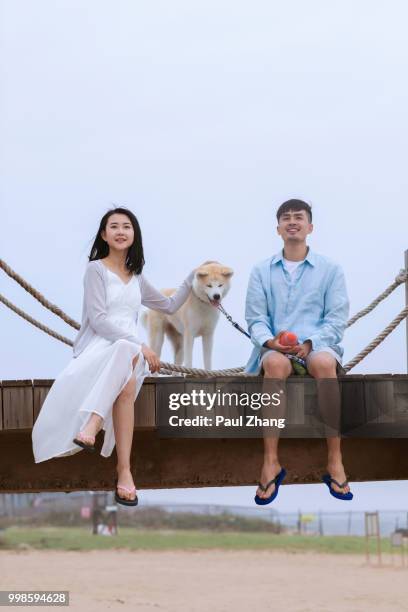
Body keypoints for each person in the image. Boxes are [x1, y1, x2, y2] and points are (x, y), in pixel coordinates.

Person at [32, 206, 202, 506]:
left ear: (134, 234)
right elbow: (98, 320)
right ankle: (101, 435)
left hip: (128, 354)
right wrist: (140, 345)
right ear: (104, 234)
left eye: (127, 226)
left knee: (126, 389)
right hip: (100, 347)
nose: (121, 231)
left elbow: (170, 306)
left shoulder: (137, 276)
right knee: (127, 352)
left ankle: (120, 465)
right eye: (114, 226)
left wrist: (192, 278)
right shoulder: (95, 270)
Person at [245, 199, 353, 503]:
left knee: (323, 362)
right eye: (286, 218)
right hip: (276, 349)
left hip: (317, 345)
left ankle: (335, 460)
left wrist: (310, 344)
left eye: (299, 217)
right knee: (275, 365)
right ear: (278, 228)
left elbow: (337, 318)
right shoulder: (261, 270)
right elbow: (255, 319)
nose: (292, 222)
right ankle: (270, 462)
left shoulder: (331, 269)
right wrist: (270, 342)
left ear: (310, 227)